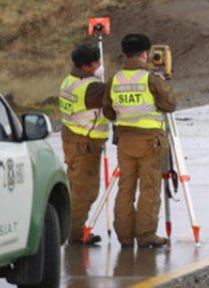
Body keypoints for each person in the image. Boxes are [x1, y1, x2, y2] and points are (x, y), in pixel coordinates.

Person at [103, 34, 176, 249]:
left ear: (125, 54)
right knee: (149, 188)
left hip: (125, 142)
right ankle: (145, 235)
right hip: (150, 142)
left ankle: (125, 237)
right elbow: (169, 105)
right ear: (145, 54)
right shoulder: (150, 79)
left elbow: (108, 111)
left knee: (125, 188)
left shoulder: (114, 79)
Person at [59, 44, 109, 245]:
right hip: (85, 144)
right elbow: (112, 95)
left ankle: (74, 230)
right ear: (87, 66)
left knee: (76, 188)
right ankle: (74, 233)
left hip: (71, 138)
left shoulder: (69, 80)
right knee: (85, 192)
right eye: (96, 62)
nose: (100, 65)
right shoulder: (91, 88)